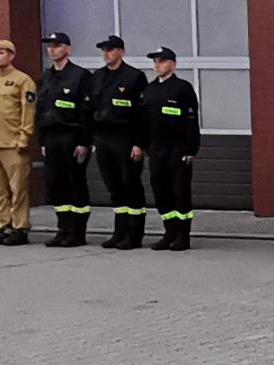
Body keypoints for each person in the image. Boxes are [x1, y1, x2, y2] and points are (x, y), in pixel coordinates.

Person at [88, 35, 149, 249]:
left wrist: (139, 143)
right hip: (104, 139)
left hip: (126, 138)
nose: (106, 53)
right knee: (114, 187)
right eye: (104, 50)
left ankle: (135, 234)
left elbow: (142, 114)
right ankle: (119, 231)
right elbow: (90, 109)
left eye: (111, 49)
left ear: (121, 52)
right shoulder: (97, 76)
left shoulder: (134, 77)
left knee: (130, 184)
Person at [137, 46, 201, 252]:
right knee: (161, 191)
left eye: (162, 61)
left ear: (173, 64)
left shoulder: (182, 88)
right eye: (155, 61)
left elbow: (191, 121)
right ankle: (169, 232)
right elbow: (143, 121)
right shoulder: (150, 90)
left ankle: (183, 235)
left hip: (178, 149)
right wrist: (141, 144)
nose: (157, 65)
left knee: (179, 192)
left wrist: (191, 149)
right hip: (156, 149)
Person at [36, 32, 94, 247]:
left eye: (57, 46)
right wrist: (41, 141)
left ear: (67, 49)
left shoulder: (80, 76)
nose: (52, 50)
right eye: (49, 46)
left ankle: (77, 232)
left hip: (72, 137)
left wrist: (84, 142)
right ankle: (63, 228)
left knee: (75, 184)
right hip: (51, 138)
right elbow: (39, 111)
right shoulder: (46, 77)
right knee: (56, 184)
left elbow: (87, 112)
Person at [0, 39, 37, 246]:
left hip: (13, 143)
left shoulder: (22, 80)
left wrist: (24, 136)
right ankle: (4, 225)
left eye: (1, 53)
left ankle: (20, 227)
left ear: (11, 56)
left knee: (18, 188)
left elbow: (28, 110)